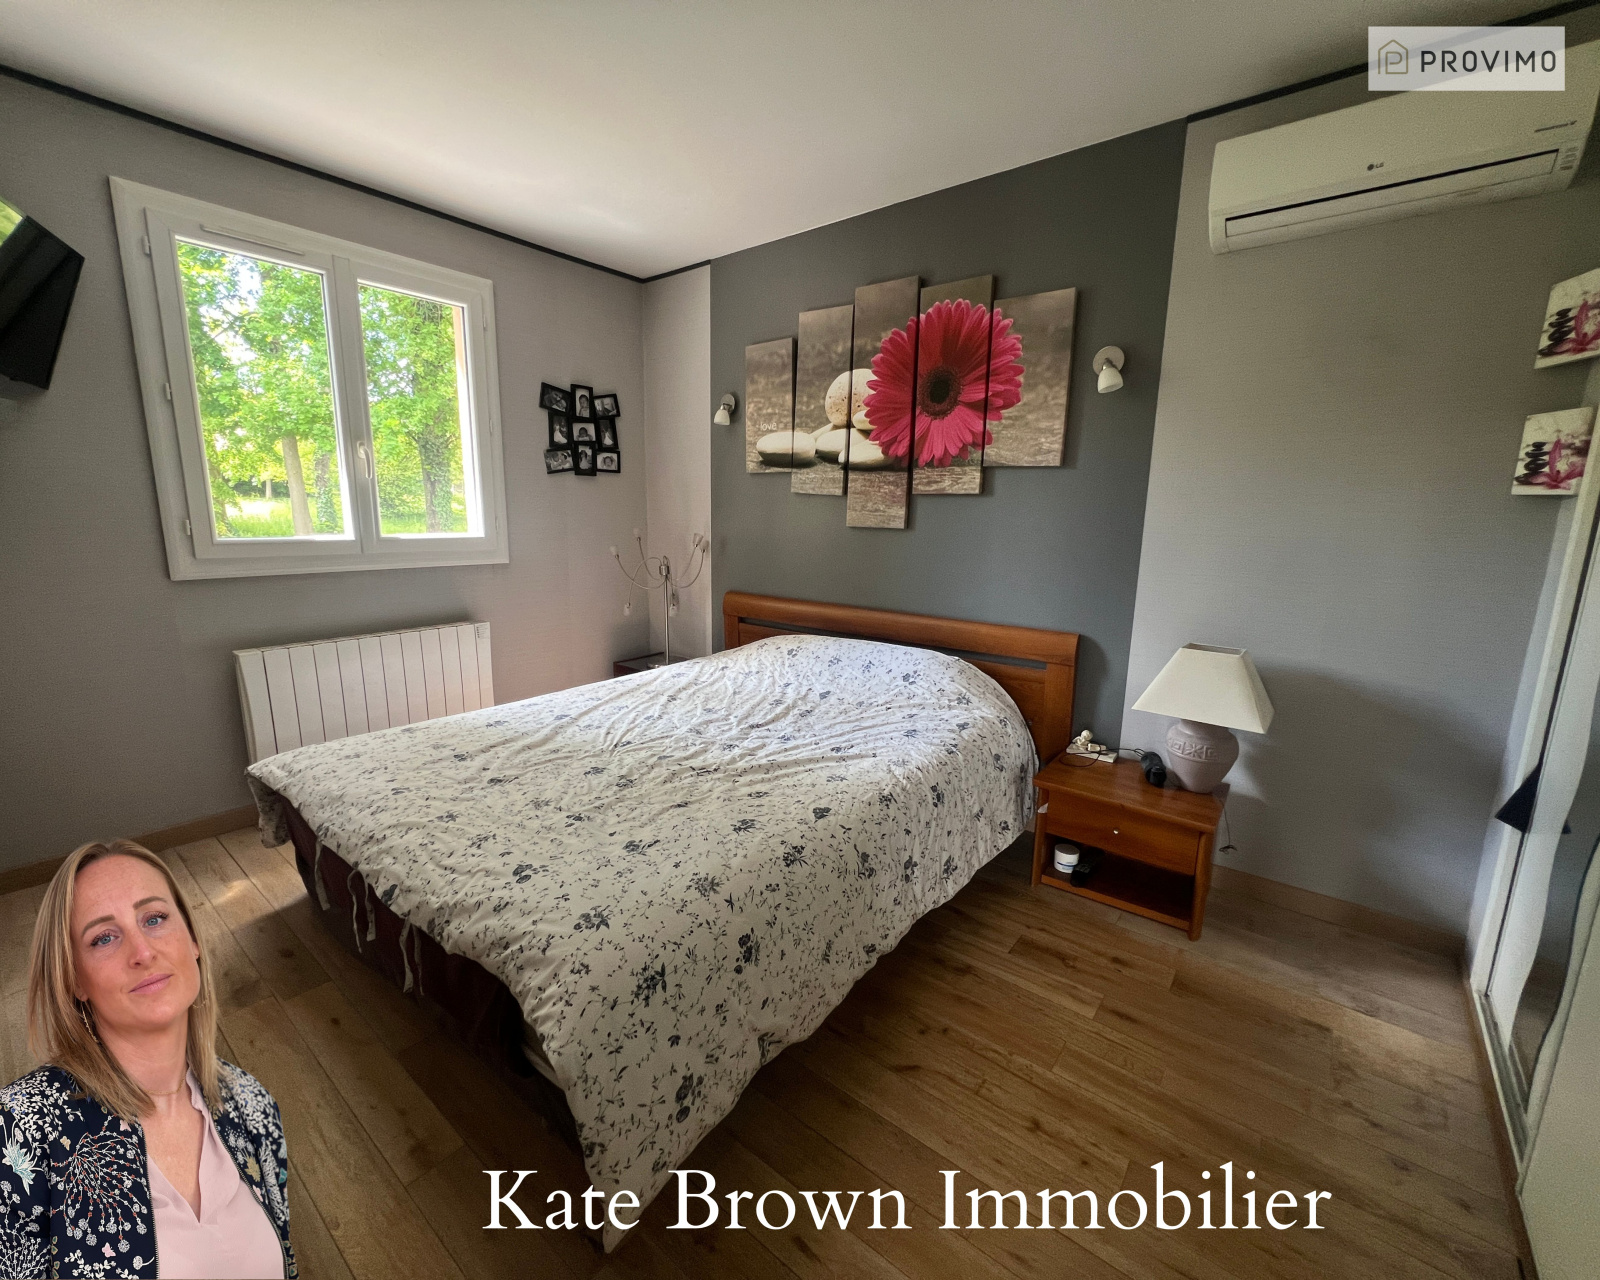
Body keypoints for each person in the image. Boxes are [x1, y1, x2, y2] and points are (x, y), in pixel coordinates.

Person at [0, 840, 294, 1278]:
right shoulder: (17, 1130)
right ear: (75, 979)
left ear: (192, 939)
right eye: (104, 937)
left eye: (154, 918)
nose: (142, 952)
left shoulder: (254, 1105)